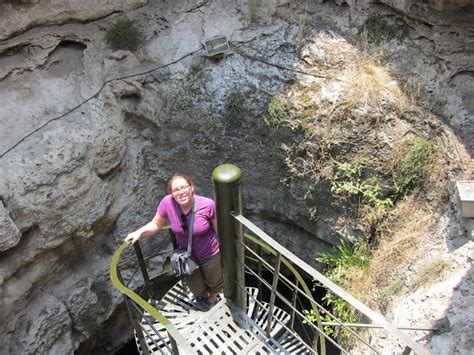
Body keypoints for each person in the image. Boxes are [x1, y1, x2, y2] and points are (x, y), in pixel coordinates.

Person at [125, 173, 222, 309]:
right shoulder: (167, 203)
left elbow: (219, 229)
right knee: (196, 287)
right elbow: (156, 224)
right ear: (171, 193)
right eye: (176, 190)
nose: (181, 192)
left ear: (191, 188)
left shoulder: (207, 205)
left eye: (184, 187)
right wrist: (139, 232)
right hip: (188, 256)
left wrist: (224, 251)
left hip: (210, 252)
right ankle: (203, 298)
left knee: (214, 282)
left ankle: (212, 300)